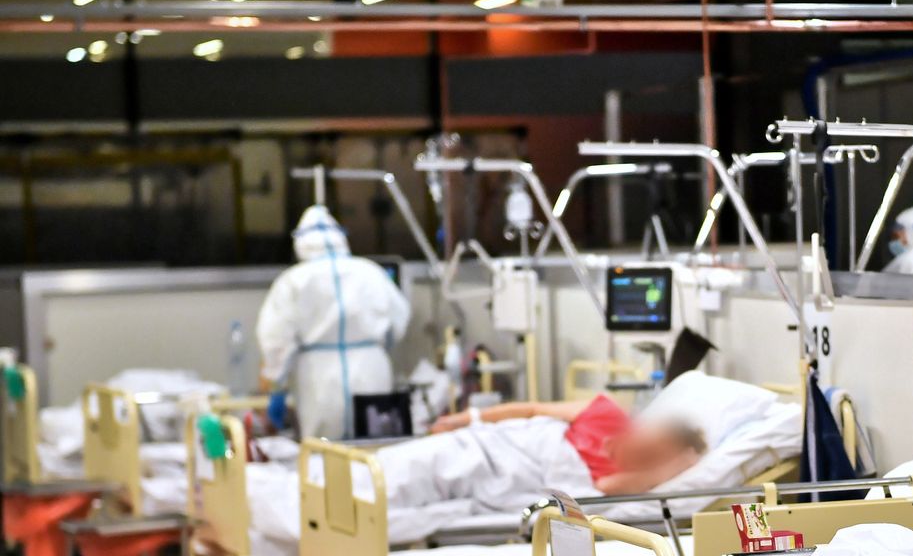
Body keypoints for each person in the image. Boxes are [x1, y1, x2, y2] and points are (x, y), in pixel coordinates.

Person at [256, 204, 411, 440]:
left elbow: (275, 338)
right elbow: (398, 320)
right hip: (371, 371)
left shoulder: (292, 281)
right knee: (375, 450)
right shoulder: (371, 272)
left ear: (300, 243)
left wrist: (277, 384)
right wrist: (377, 347)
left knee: (323, 454)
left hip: (319, 379)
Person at [431, 395, 707, 494]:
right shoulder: (606, 412)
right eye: (653, 446)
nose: (644, 456)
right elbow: (532, 409)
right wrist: (468, 418)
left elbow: (605, 487)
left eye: (654, 459)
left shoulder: (617, 477)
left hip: (509, 475)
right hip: (492, 444)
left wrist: (670, 470)